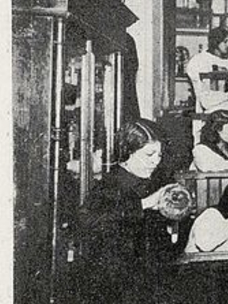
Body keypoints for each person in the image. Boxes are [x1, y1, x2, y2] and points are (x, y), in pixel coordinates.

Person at [79, 120, 185, 303]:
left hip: (151, 278)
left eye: (159, 155)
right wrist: (143, 204)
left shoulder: (156, 180)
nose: (156, 161)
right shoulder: (111, 183)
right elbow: (87, 221)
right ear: (128, 152)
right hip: (118, 281)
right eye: (149, 154)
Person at [185, 27, 228, 139]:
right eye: (225, 41)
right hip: (208, 114)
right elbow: (204, 98)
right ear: (215, 41)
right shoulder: (198, 61)